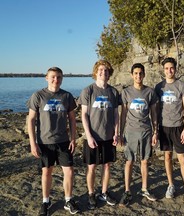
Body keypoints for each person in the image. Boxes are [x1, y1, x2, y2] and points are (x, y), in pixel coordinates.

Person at [27, 67, 79, 215]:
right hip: (45, 141)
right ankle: (46, 201)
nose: (56, 80)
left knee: (69, 171)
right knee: (47, 172)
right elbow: (30, 120)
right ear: (47, 78)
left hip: (63, 141)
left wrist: (73, 139)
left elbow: (72, 119)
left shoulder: (67, 96)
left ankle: (68, 200)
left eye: (59, 77)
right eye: (53, 77)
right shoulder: (38, 96)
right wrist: (33, 143)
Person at [155, 57, 184, 207]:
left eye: (171, 68)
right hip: (164, 127)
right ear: (163, 70)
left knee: (183, 160)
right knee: (167, 157)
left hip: (179, 127)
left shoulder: (182, 85)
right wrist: (155, 130)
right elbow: (156, 109)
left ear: (175, 69)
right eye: (166, 68)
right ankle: (171, 185)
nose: (169, 71)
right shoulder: (159, 87)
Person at [78, 60, 119, 209]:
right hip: (93, 137)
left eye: (106, 70)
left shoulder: (113, 92)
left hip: (108, 137)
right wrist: (88, 136)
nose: (104, 72)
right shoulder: (88, 91)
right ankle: (91, 194)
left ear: (109, 74)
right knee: (92, 167)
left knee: (107, 166)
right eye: (101, 70)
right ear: (96, 72)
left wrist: (116, 133)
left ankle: (104, 192)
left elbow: (116, 115)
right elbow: (84, 115)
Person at [119, 63, 158, 207]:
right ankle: (127, 191)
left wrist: (155, 132)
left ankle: (144, 188)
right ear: (131, 75)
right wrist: (120, 133)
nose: (138, 76)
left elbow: (154, 113)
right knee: (129, 161)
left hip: (146, 131)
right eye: (135, 73)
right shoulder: (126, 92)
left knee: (145, 161)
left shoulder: (150, 92)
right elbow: (123, 114)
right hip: (130, 131)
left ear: (144, 74)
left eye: (141, 73)